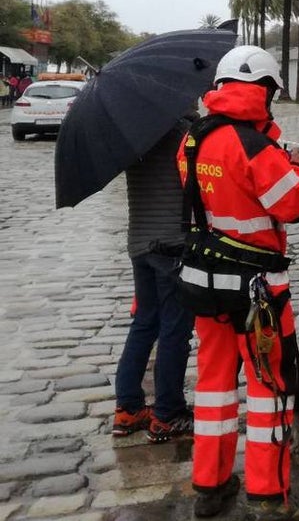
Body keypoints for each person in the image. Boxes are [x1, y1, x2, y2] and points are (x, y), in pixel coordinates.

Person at [177, 45, 299, 521]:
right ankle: (268, 494)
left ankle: (210, 485)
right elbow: (295, 205)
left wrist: (276, 153)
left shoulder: (193, 140)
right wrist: (297, 170)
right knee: (270, 387)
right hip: (258, 289)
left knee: (214, 386)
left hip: (205, 282)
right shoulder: (256, 148)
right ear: (265, 91)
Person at [111, 114, 197, 443]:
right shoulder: (183, 135)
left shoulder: (131, 135)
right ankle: (168, 413)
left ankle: (128, 408)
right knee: (175, 329)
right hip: (172, 245)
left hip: (139, 243)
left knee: (145, 323)